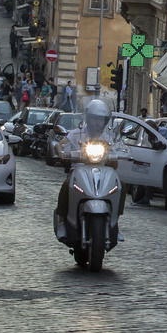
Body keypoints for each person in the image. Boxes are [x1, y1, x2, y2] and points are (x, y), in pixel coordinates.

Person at [54, 99, 125, 238]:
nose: (96, 123)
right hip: (79, 170)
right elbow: (61, 144)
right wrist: (61, 151)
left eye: (100, 120)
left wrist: (118, 153)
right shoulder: (76, 133)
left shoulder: (109, 137)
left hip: (103, 173)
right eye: (94, 119)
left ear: (105, 121)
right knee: (66, 186)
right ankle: (62, 220)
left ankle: (115, 222)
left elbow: (117, 154)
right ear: (88, 118)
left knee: (121, 186)